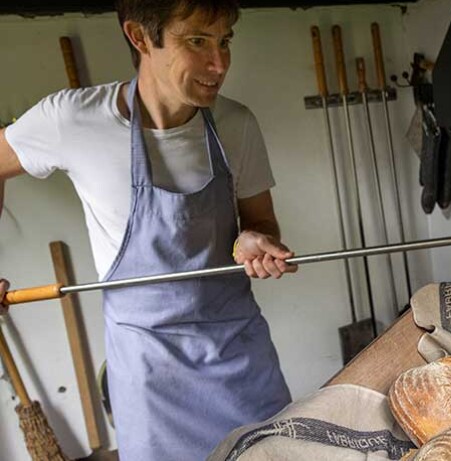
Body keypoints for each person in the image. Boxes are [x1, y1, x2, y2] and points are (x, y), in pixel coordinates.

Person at [0, 0, 297, 459]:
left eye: (224, 42)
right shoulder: (74, 120)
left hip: (238, 360)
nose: (219, 64)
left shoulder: (237, 125)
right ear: (139, 37)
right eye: (197, 41)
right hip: (150, 378)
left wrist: (253, 239)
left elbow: (259, 221)